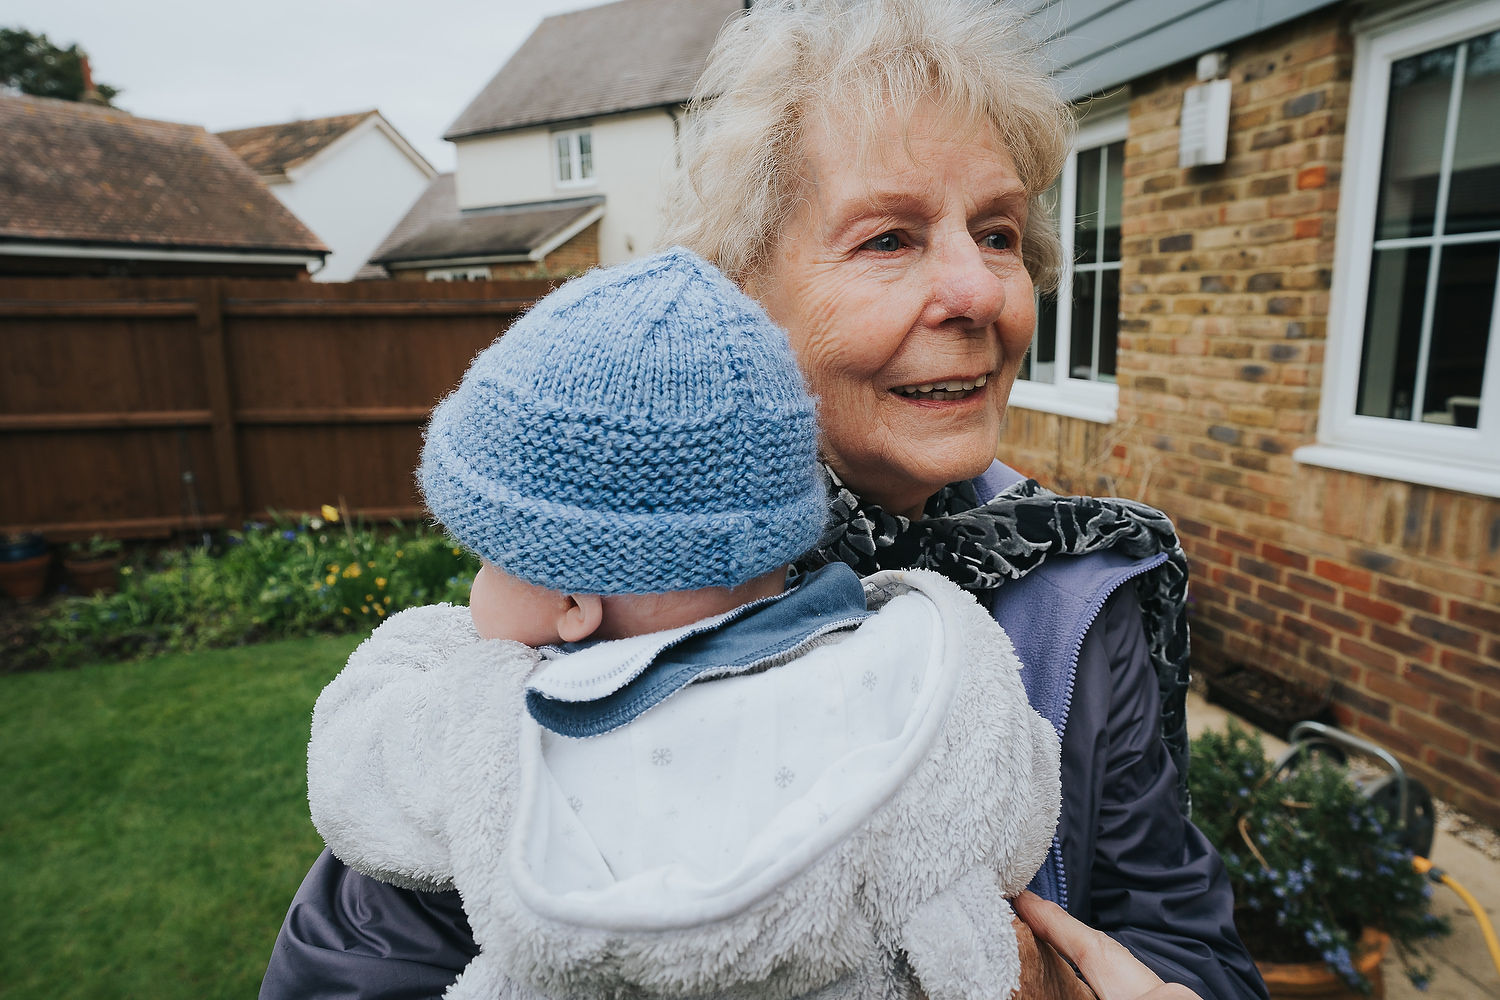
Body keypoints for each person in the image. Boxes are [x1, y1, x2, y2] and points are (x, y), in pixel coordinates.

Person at [261, 2, 1267, 998]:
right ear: (747, 296)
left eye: (998, 233)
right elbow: (357, 965)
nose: (979, 292)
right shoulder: (623, 565)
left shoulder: (1081, 586)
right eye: (889, 238)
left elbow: (1190, 947)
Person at [300, 247, 1064, 1000]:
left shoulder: (512, 733)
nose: (471, 590)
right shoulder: (911, 662)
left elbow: (354, 773)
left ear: (572, 604)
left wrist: (423, 648)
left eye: (487, 562)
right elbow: (1018, 802)